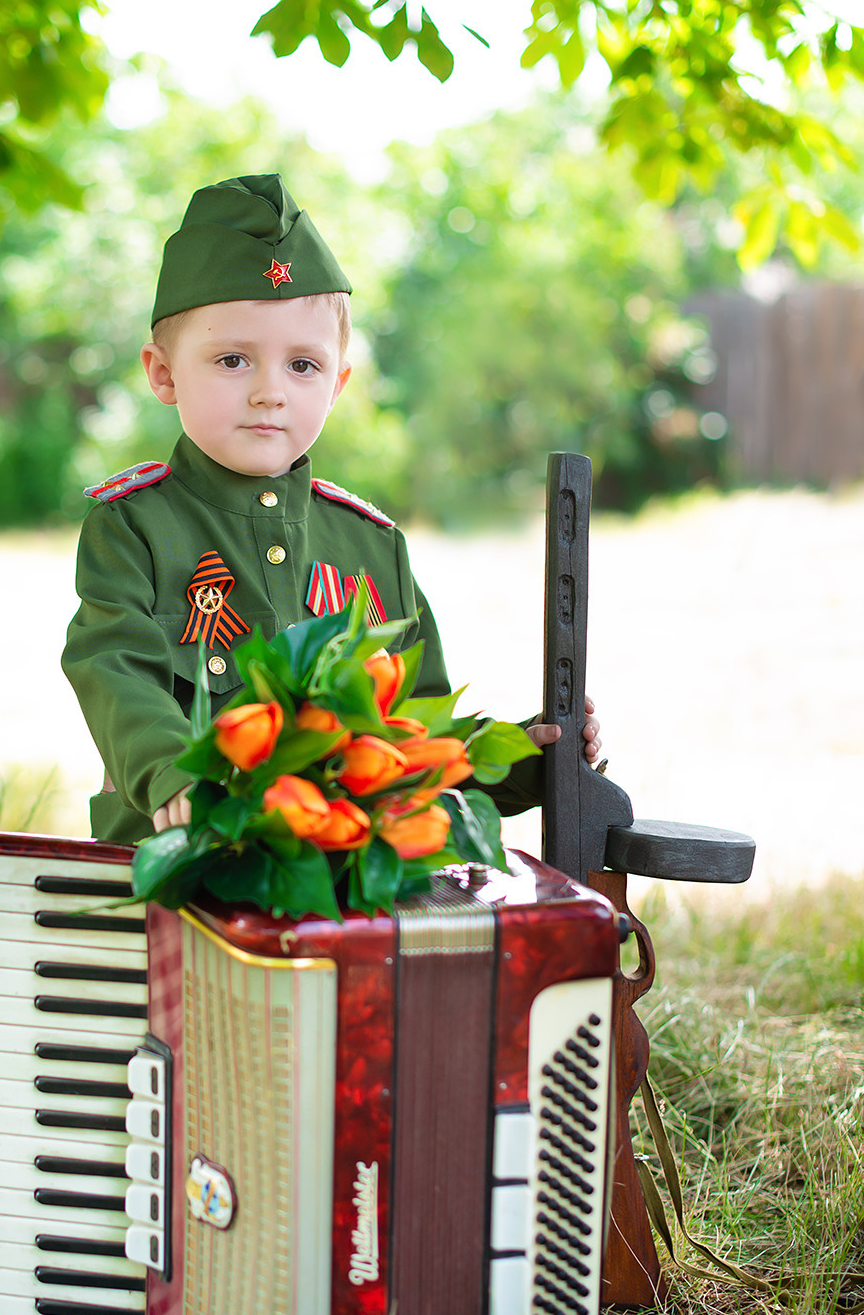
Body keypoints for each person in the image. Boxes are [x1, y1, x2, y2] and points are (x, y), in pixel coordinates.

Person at [62, 173, 600, 845]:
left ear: (338, 382)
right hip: (186, 855)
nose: (269, 392)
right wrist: (168, 770)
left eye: (303, 365)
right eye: (232, 359)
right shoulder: (135, 526)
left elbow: (415, 737)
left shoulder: (371, 547)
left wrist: (527, 762)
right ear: (163, 372)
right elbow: (113, 663)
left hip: (345, 867)